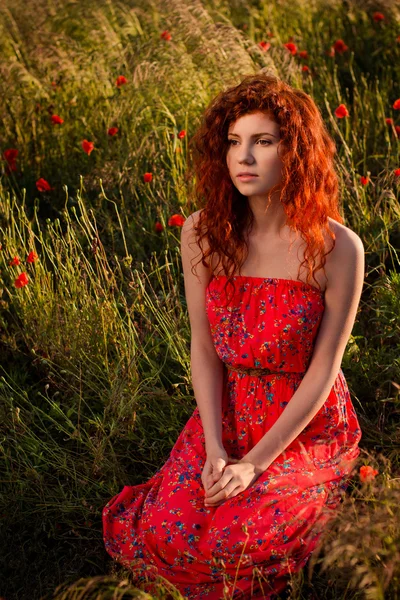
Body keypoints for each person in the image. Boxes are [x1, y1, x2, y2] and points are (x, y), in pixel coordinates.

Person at [102, 72, 364, 599]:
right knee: (169, 532)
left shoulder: (338, 248)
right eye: (233, 142)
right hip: (226, 406)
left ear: (296, 153)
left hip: (301, 420)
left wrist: (255, 464)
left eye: (262, 142)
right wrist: (215, 446)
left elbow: (324, 369)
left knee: (246, 541)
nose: (243, 156)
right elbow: (203, 346)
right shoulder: (202, 232)